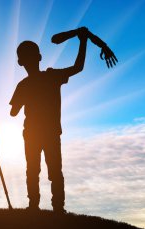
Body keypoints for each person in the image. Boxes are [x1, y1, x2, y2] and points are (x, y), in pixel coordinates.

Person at [9, 27, 89, 213]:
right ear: (39, 57)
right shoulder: (52, 77)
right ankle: (57, 208)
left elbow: (13, 112)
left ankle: (35, 206)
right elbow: (78, 67)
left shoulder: (24, 85)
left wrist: (21, 100)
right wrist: (83, 41)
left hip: (34, 133)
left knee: (34, 170)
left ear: (21, 62)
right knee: (53, 171)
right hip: (48, 132)